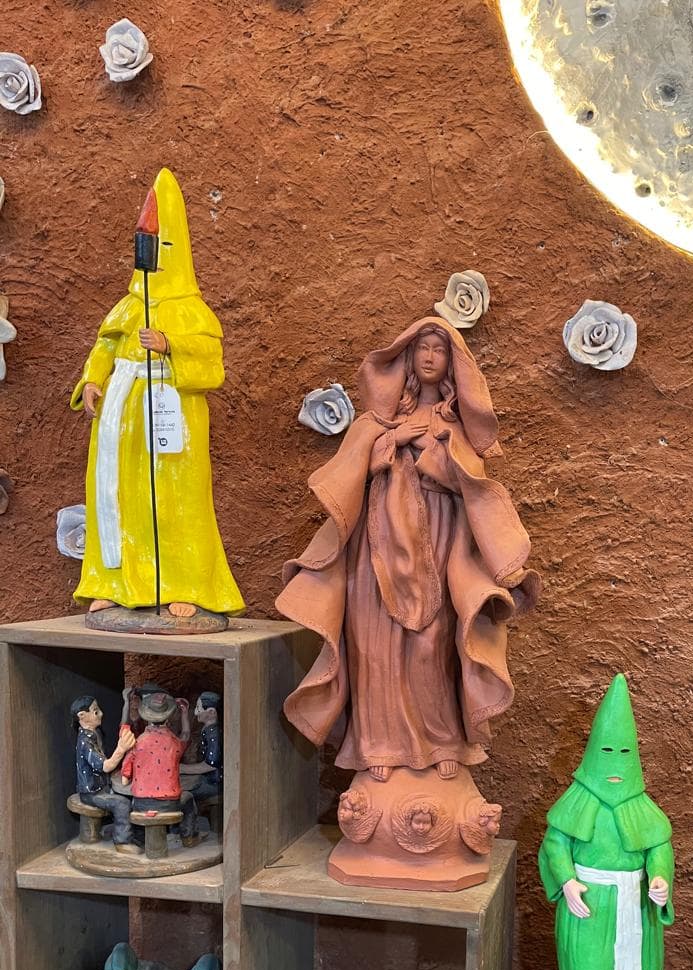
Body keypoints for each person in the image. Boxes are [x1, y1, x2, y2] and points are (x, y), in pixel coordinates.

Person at [277, 317, 539, 779]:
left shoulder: (453, 425)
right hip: (376, 546)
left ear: (451, 362)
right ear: (409, 357)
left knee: (431, 646)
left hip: (438, 541)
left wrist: (433, 454)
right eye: (423, 348)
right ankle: (377, 746)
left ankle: (443, 743)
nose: (430, 356)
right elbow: (354, 471)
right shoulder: (379, 421)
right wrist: (394, 440)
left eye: (439, 349)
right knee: (373, 644)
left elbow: (466, 480)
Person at [70, 167, 243, 620]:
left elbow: (212, 365)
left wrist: (171, 345)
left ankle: (184, 582)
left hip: (171, 416)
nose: (154, 259)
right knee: (117, 496)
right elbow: (106, 345)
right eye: (147, 247)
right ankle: (114, 581)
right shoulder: (128, 306)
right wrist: (93, 380)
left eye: (163, 247)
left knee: (177, 500)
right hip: (123, 419)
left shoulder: (193, 310)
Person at [536, 675, 674, 970]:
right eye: (608, 751)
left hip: (636, 911)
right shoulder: (577, 801)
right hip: (589, 912)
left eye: (624, 753)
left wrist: (659, 880)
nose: (615, 763)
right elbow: (555, 843)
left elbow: (659, 848)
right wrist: (567, 880)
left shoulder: (644, 808)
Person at [120, 690, 200, 844]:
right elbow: (185, 735)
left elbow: (124, 778)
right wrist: (184, 713)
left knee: (130, 803)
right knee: (188, 798)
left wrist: (126, 702)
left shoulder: (138, 742)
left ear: (146, 716)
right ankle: (189, 837)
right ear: (167, 718)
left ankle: (139, 840)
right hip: (169, 803)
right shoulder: (174, 742)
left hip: (141, 803)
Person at [70, 695, 136, 852]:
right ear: (82, 716)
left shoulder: (95, 733)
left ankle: (125, 831)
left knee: (129, 795)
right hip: (92, 792)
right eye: (95, 711)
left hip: (102, 785)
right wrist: (121, 749)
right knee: (122, 803)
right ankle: (122, 843)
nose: (101, 713)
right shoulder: (85, 742)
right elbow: (105, 766)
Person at [180, 691, 222, 801]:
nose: (195, 712)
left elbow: (211, 765)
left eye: (199, 708)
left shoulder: (213, 734)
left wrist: (182, 768)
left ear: (211, 712)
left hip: (212, 782)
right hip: (204, 778)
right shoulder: (207, 730)